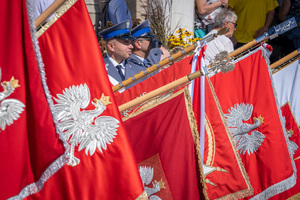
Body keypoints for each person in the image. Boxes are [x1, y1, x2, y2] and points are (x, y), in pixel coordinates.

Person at [99, 20, 147, 86]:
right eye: (126, 42)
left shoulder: (139, 69)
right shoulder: (98, 70)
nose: (131, 46)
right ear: (111, 46)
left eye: (131, 42)